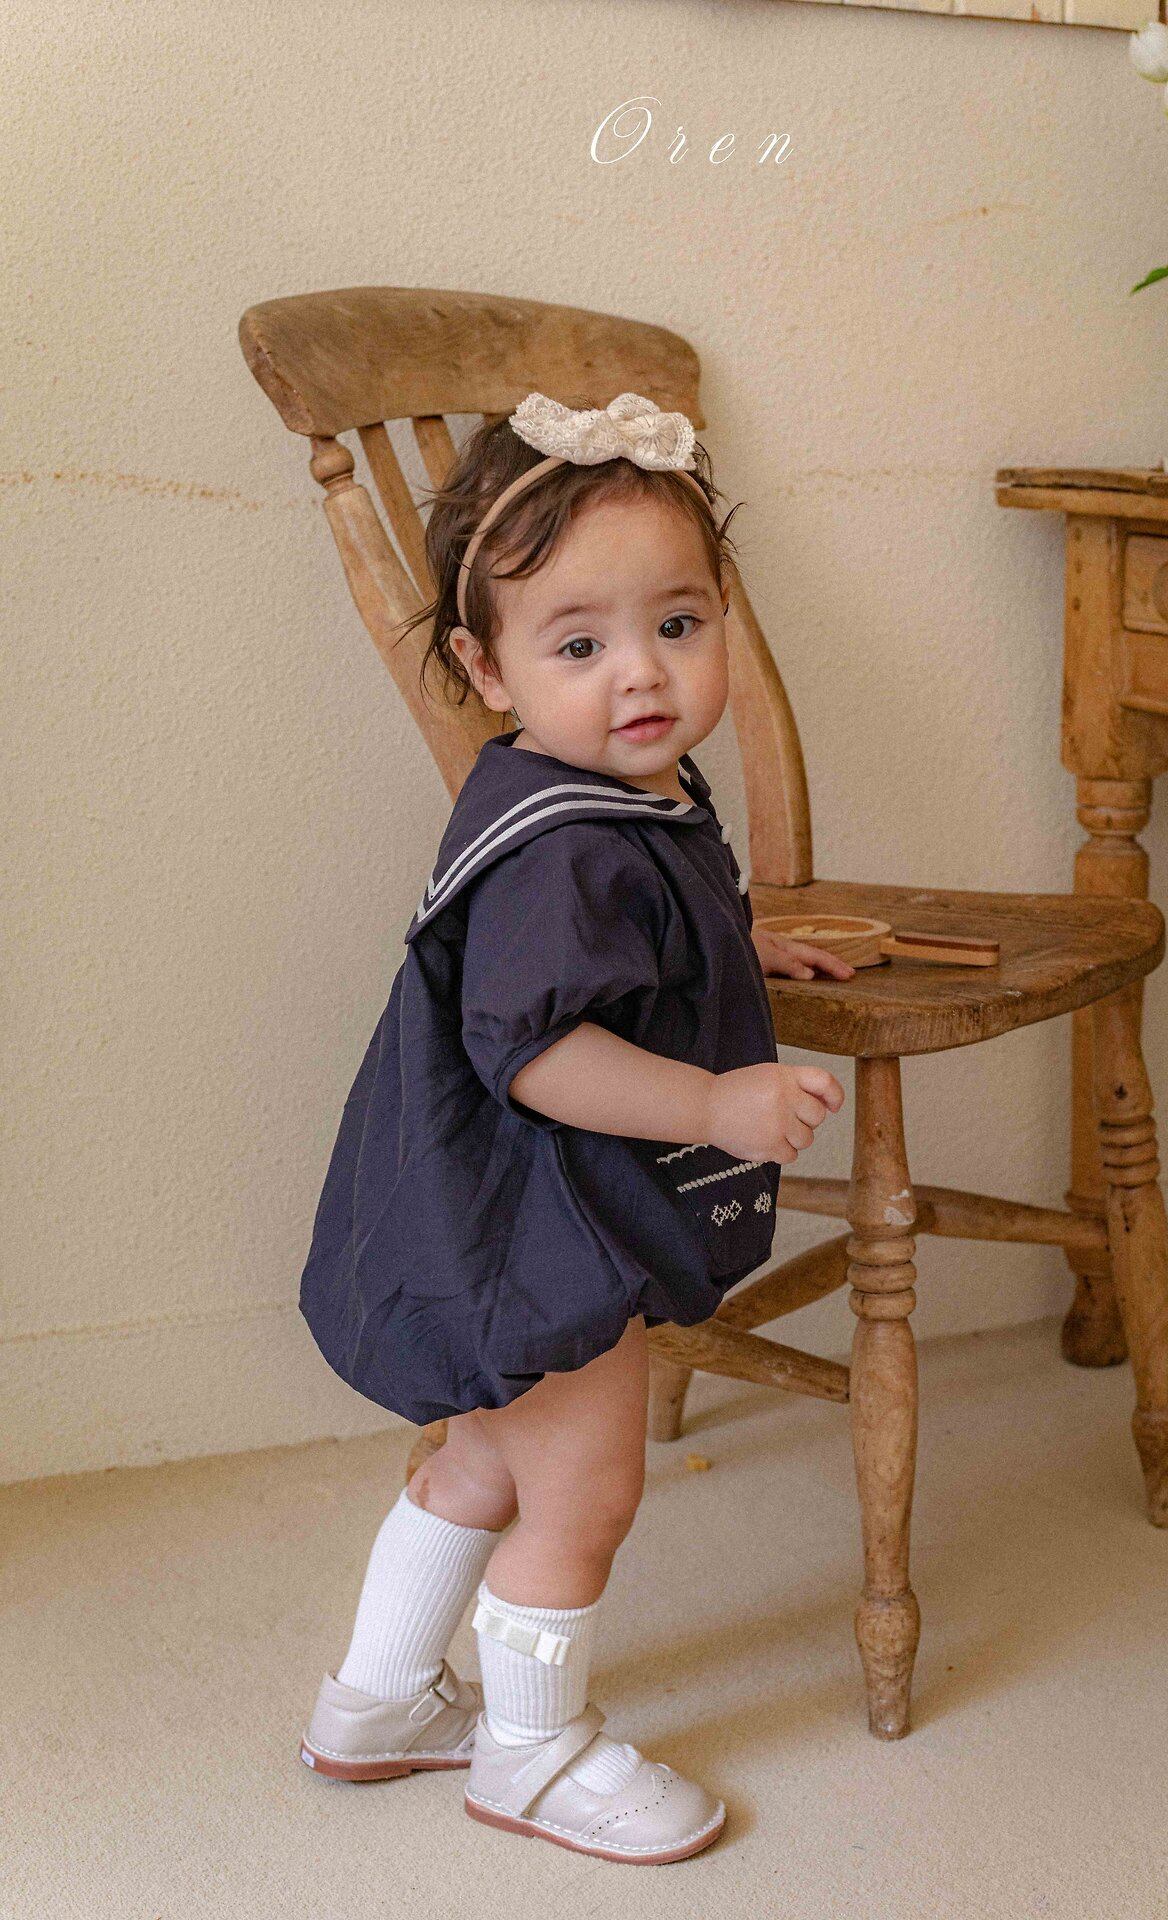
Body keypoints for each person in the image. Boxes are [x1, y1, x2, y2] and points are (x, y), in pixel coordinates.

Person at [297, 391, 850, 1863]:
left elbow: (629, 941)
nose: (642, 672)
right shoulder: (567, 850)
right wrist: (716, 1099)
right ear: (488, 668)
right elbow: (541, 1050)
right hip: (537, 1227)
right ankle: (530, 1753)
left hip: (485, 1211)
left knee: (485, 1462)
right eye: (580, 644)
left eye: (677, 623)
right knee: (583, 1490)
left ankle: (376, 1701)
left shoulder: (596, 793)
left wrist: (735, 949)